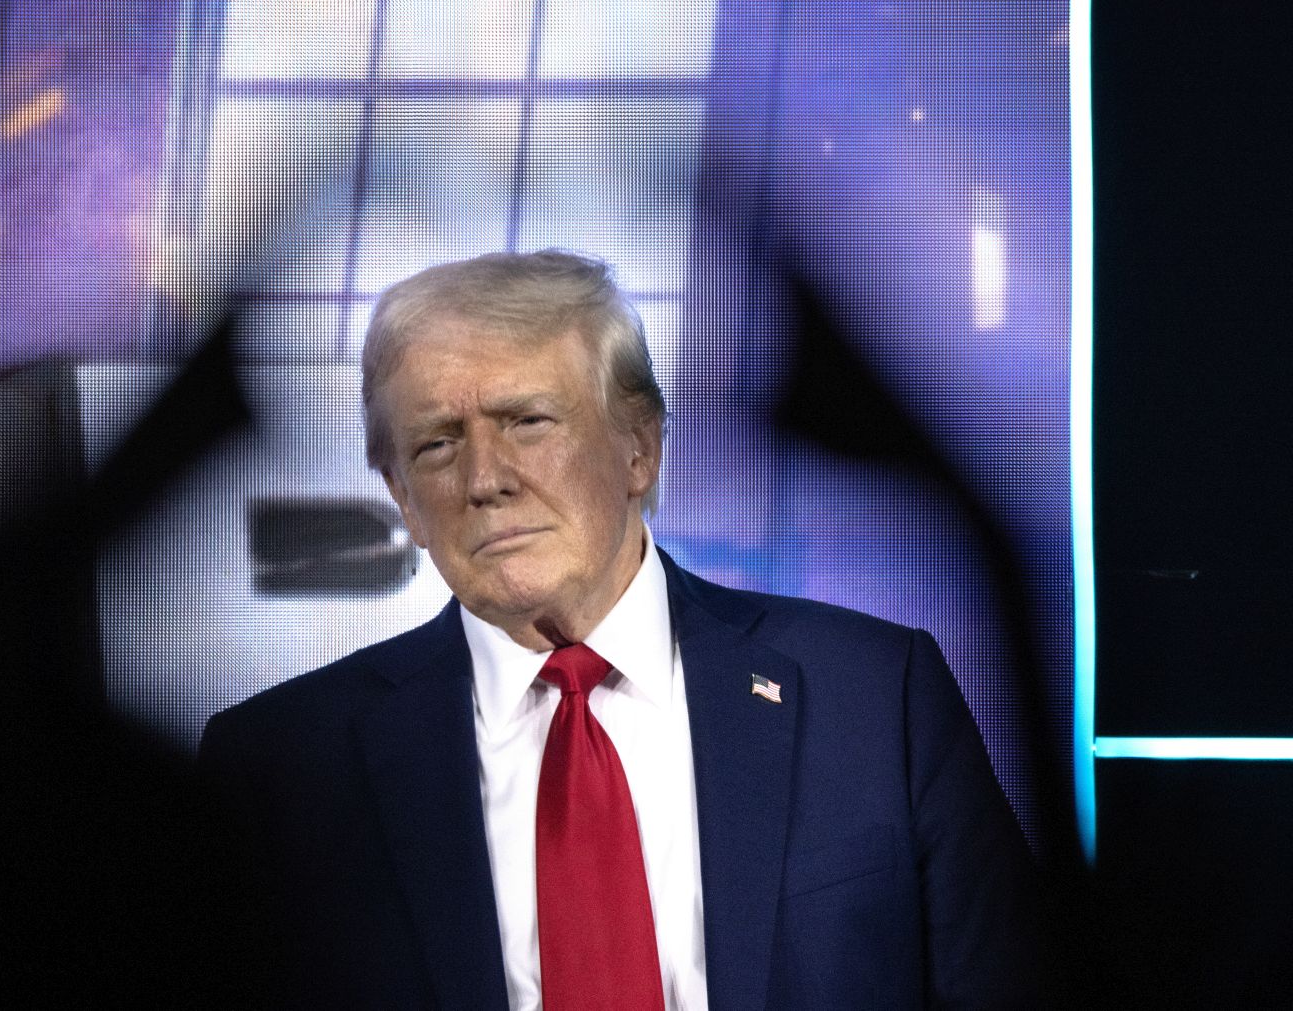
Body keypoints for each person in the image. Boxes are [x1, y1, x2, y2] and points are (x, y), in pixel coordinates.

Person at [199, 250, 1038, 1009]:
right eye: (436, 445)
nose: (486, 478)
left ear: (639, 447)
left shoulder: (874, 697)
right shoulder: (281, 769)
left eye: (527, 420)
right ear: (402, 500)